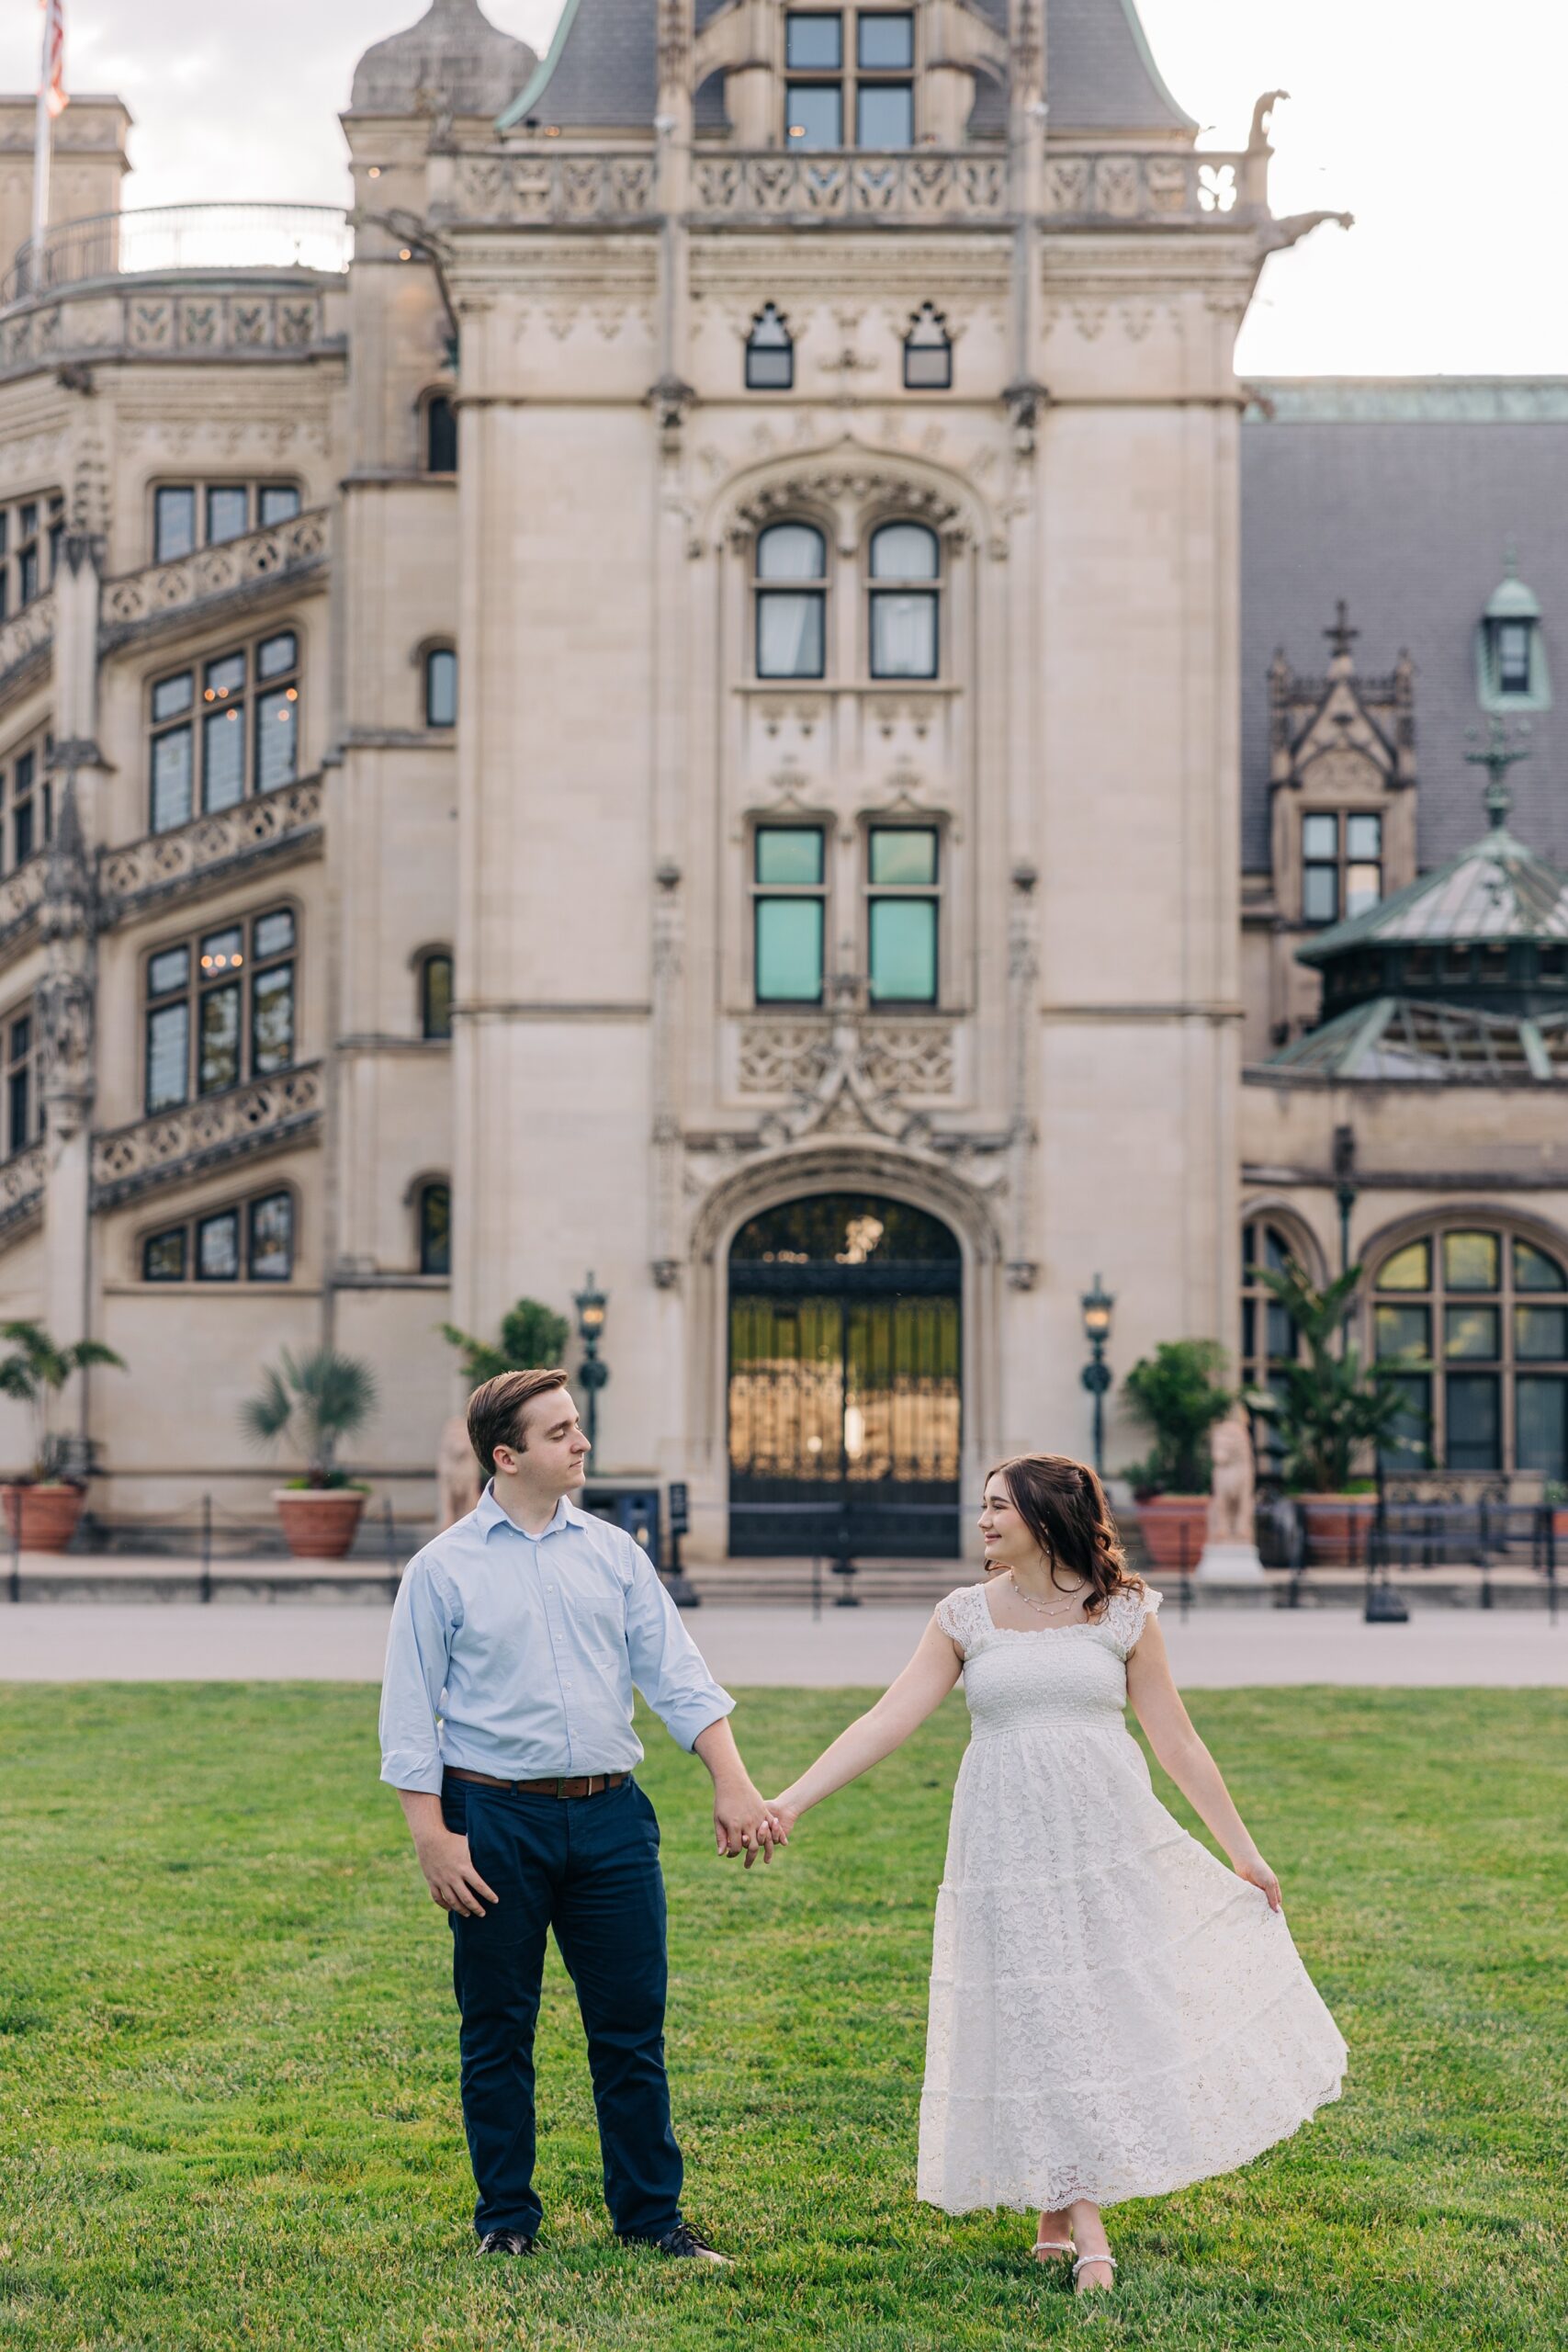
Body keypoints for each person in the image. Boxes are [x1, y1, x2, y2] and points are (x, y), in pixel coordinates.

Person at [766, 1453, 1347, 2297]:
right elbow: (887, 1719)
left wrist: (1242, 1851)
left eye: (999, 1507)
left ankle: (1053, 2202)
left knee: (1093, 2010)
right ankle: (1086, 2226)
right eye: (983, 1507)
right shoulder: (963, 1616)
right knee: (1037, 2007)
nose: (984, 1522)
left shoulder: (1122, 1612)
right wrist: (790, 1801)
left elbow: (1177, 1742)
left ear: (1043, 1517)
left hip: (1106, 1842)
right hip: (1004, 1847)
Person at [379, 1366, 782, 2262]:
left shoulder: (613, 1553)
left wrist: (732, 1780)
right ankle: (506, 2223)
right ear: (506, 1454)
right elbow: (410, 1715)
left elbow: (678, 1675)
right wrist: (433, 1837)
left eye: (577, 1425)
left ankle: (650, 2219)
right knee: (497, 2027)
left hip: (611, 1822)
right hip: (491, 1820)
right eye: (560, 1431)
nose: (581, 1442)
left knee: (631, 2030)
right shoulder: (441, 1570)